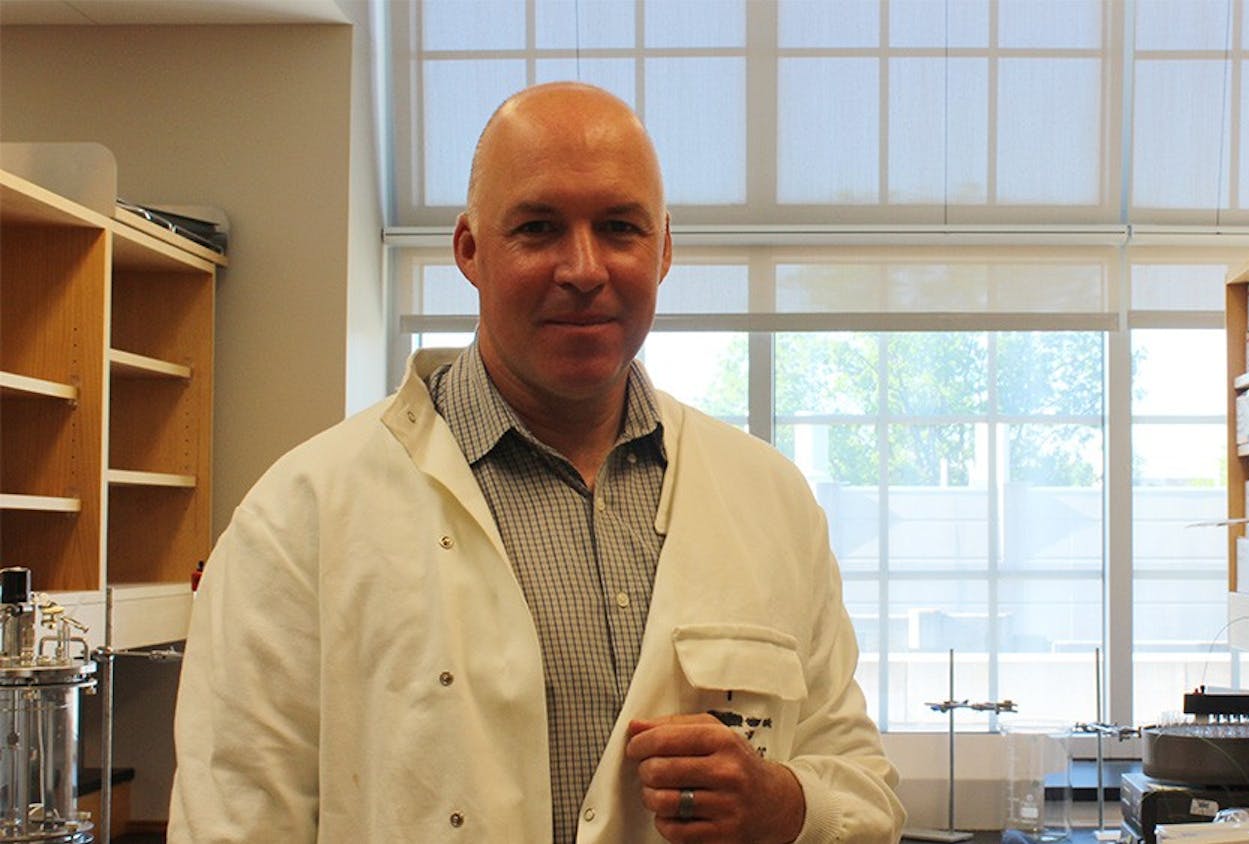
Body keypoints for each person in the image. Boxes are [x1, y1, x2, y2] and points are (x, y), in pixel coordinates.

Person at [167, 82, 904, 843]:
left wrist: (782, 805)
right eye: (538, 228)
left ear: (665, 250)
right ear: (469, 251)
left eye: (620, 227)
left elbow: (861, 785)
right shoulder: (300, 516)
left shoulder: (769, 500)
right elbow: (234, 816)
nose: (584, 268)